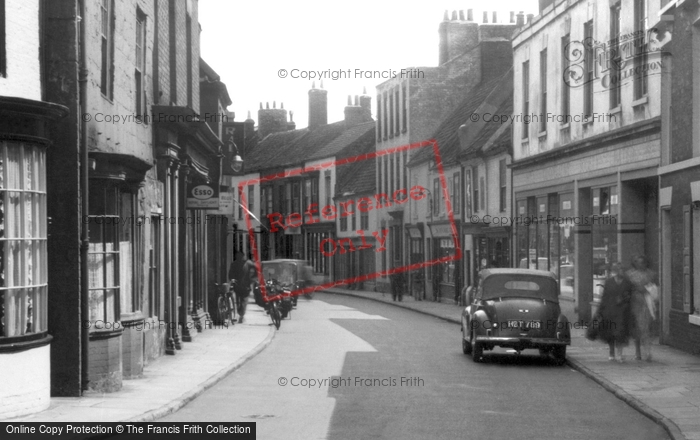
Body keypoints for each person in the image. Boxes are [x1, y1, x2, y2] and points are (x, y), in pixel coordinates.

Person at [597, 263, 633, 362]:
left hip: (622, 311)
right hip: (610, 310)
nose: (622, 271)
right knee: (611, 332)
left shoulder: (627, 283)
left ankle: (620, 354)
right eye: (620, 269)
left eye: (623, 269)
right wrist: (600, 310)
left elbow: (630, 296)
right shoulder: (608, 282)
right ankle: (611, 352)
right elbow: (604, 296)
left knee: (620, 332)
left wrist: (624, 299)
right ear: (616, 271)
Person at [626, 255, 658, 361]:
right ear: (634, 263)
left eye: (642, 262)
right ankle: (637, 351)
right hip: (634, 303)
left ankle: (647, 351)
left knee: (645, 327)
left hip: (646, 303)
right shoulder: (630, 275)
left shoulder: (651, 274)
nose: (640, 264)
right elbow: (626, 289)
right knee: (636, 329)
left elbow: (655, 287)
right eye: (638, 262)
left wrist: (648, 289)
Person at [228, 251, 255, 323]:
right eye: (238, 256)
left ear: (243, 256)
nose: (239, 257)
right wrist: (232, 279)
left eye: (240, 256)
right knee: (239, 301)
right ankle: (240, 314)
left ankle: (241, 315)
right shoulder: (234, 264)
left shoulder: (249, 264)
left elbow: (255, 272)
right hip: (238, 286)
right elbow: (230, 273)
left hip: (246, 286)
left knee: (243, 301)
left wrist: (252, 279)